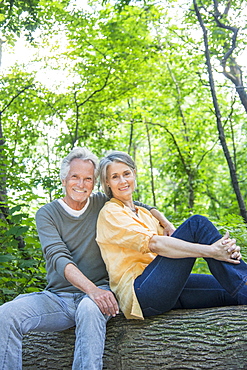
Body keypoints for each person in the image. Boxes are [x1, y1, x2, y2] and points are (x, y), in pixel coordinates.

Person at [0, 147, 170, 370]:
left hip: (100, 294)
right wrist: (92, 290)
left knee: (89, 310)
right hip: (58, 298)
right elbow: (59, 258)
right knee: (6, 314)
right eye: (75, 177)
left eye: (88, 179)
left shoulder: (102, 204)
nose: (81, 184)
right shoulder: (47, 213)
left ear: (94, 182)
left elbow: (139, 206)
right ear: (64, 179)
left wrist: (165, 222)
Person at [96, 151, 247, 320]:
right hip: (141, 292)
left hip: (164, 286)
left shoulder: (145, 214)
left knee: (230, 292)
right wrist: (212, 251)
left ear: (134, 173)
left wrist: (227, 252)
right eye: (115, 177)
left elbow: (174, 245)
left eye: (126, 174)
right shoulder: (110, 213)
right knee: (196, 224)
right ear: (107, 182)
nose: (123, 181)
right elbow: (156, 244)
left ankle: (241, 277)